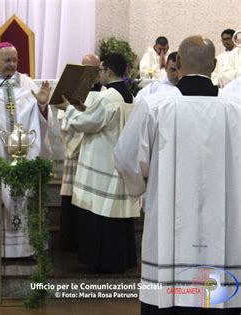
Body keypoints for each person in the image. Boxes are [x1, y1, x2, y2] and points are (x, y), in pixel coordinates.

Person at [115, 35, 241, 314]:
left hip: (169, 228)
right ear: (215, 64)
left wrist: (144, 186)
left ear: (179, 62)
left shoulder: (155, 105)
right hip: (227, 228)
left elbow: (126, 158)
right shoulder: (236, 110)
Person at [55, 53, 140, 273]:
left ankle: (101, 260)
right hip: (118, 162)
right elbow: (100, 119)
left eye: (101, 70)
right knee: (117, 215)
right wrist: (85, 109)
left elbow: (88, 124)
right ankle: (123, 259)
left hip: (103, 163)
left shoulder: (107, 97)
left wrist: (69, 109)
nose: (99, 74)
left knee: (100, 213)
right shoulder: (129, 96)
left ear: (109, 71)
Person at [0, 42, 52, 258]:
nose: (12, 65)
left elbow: (39, 117)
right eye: (7, 60)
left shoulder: (26, 82)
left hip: (24, 153)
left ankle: (27, 248)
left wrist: (43, 106)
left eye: (14, 60)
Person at [58, 53, 102, 252]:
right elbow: (63, 120)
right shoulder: (71, 92)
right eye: (86, 69)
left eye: (94, 70)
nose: (90, 74)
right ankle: (70, 242)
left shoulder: (107, 93)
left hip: (95, 151)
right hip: (76, 150)